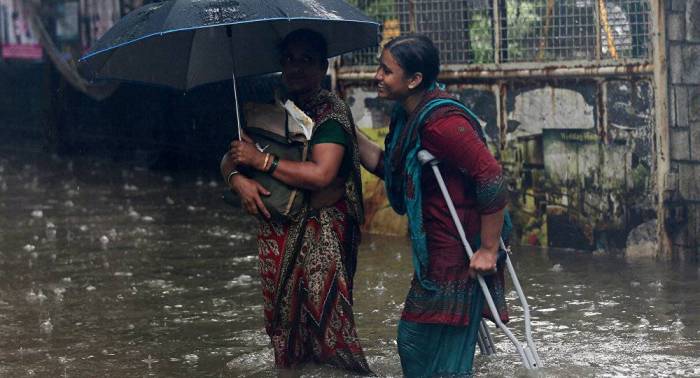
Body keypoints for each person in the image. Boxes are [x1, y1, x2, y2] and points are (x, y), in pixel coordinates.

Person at [357, 34, 510, 377]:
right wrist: (348, 131)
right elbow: (389, 167)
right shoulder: (404, 117)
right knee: (423, 340)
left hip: (458, 251)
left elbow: (491, 176)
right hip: (435, 248)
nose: (377, 76)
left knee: (414, 336)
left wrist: (488, 249)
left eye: (386, 70)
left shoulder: (441, 123)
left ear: (414, 80)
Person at [220, 29, 371, 374]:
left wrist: (263, 163)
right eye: (289, 59)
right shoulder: (269, 105)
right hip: (278, 235)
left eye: (306, 60)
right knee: (285, 331)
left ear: (322, 66)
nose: (296, 67)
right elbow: (230, 156)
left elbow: (321, 174)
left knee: (328, 326)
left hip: (323, 234)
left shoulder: (330, 115)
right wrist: (238, 179)